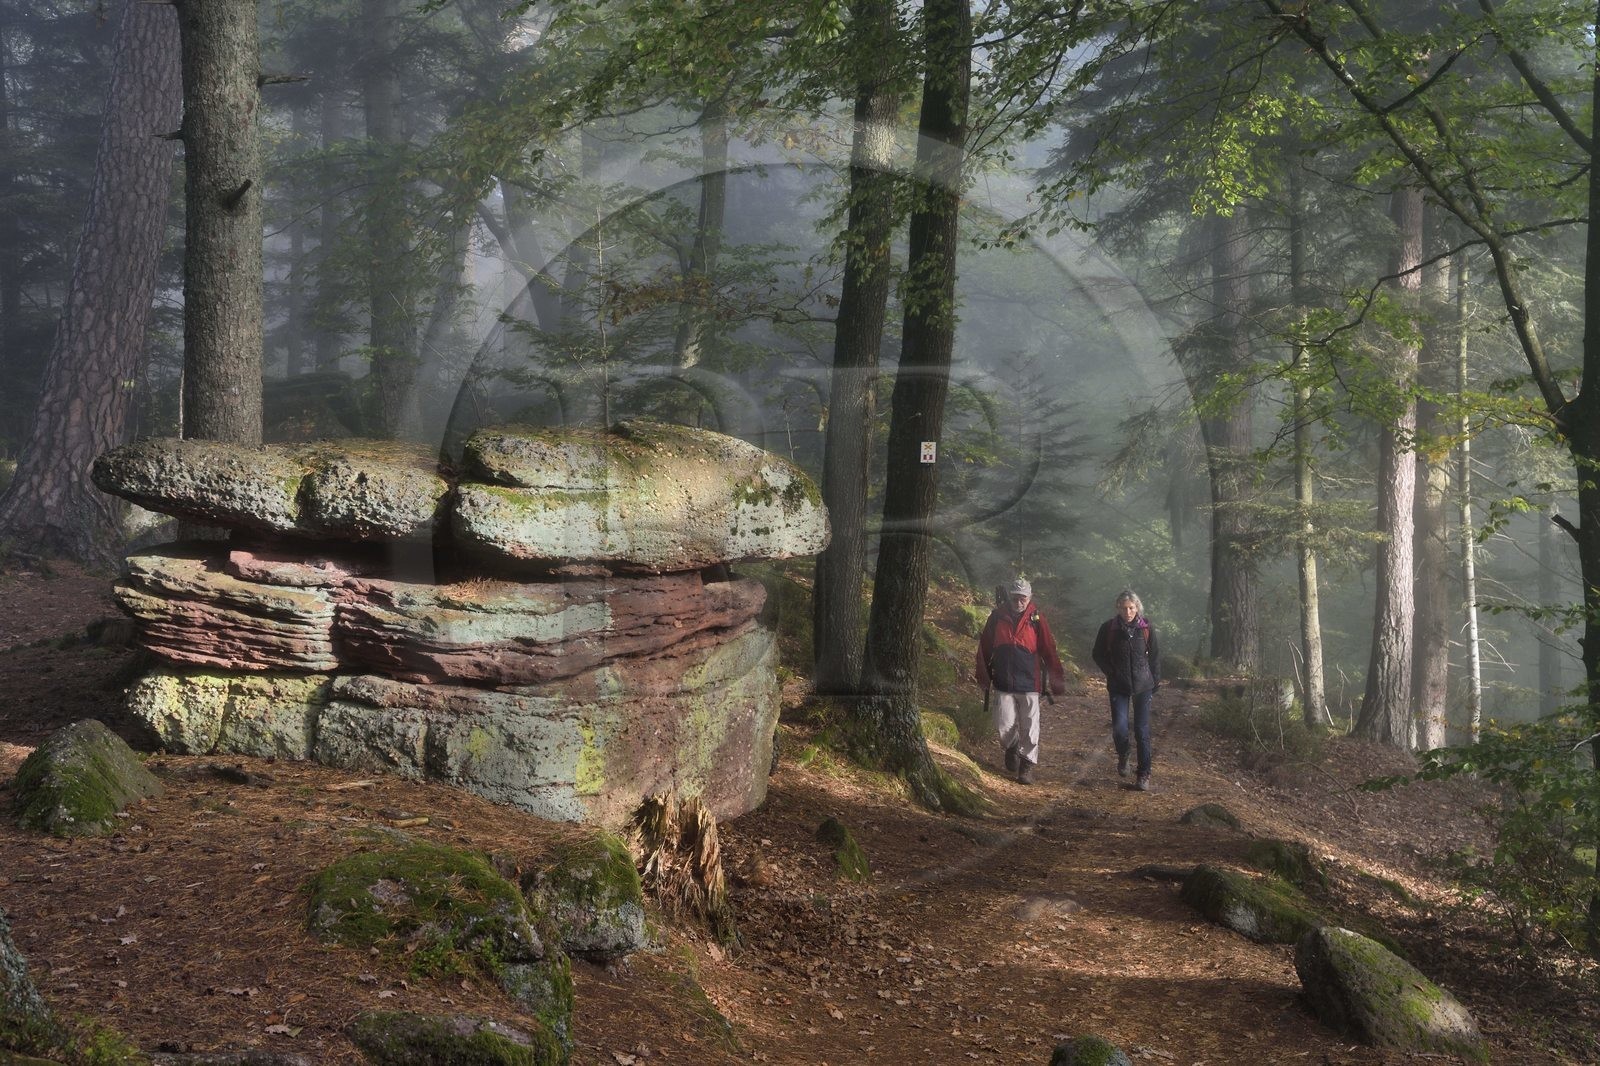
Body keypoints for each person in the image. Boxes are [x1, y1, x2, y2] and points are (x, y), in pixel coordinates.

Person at [975, 577, 1066, 785]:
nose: (1018, 602)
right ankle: (1012, 745)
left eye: (1022, 598)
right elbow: (984, 648)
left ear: (1029, 598)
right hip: (1002, 680)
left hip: (1030, 682)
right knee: (1002, 724)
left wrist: (1057, 679)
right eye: (1015, 598)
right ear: (1009, 597)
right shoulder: (997, 617)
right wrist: (983, 676)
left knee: (1030, 726)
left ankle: (1026, 765)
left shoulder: (1036, 619)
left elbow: (1049, 650)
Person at [1091, 589, 1162, 791]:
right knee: (1120, 728)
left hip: (1143, 685)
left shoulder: (1146, 628)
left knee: (1142, 730)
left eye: (1131, 608)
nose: (1128, 612)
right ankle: (1124, 754)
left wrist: (1156, 680)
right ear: (1118, 608)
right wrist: (1110, 672)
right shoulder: (1108, 628)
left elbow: (1155, 656)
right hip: (1118, 685)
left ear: (1137, 607)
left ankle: (1143, 774)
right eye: (1124, 608)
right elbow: (1097, 654)